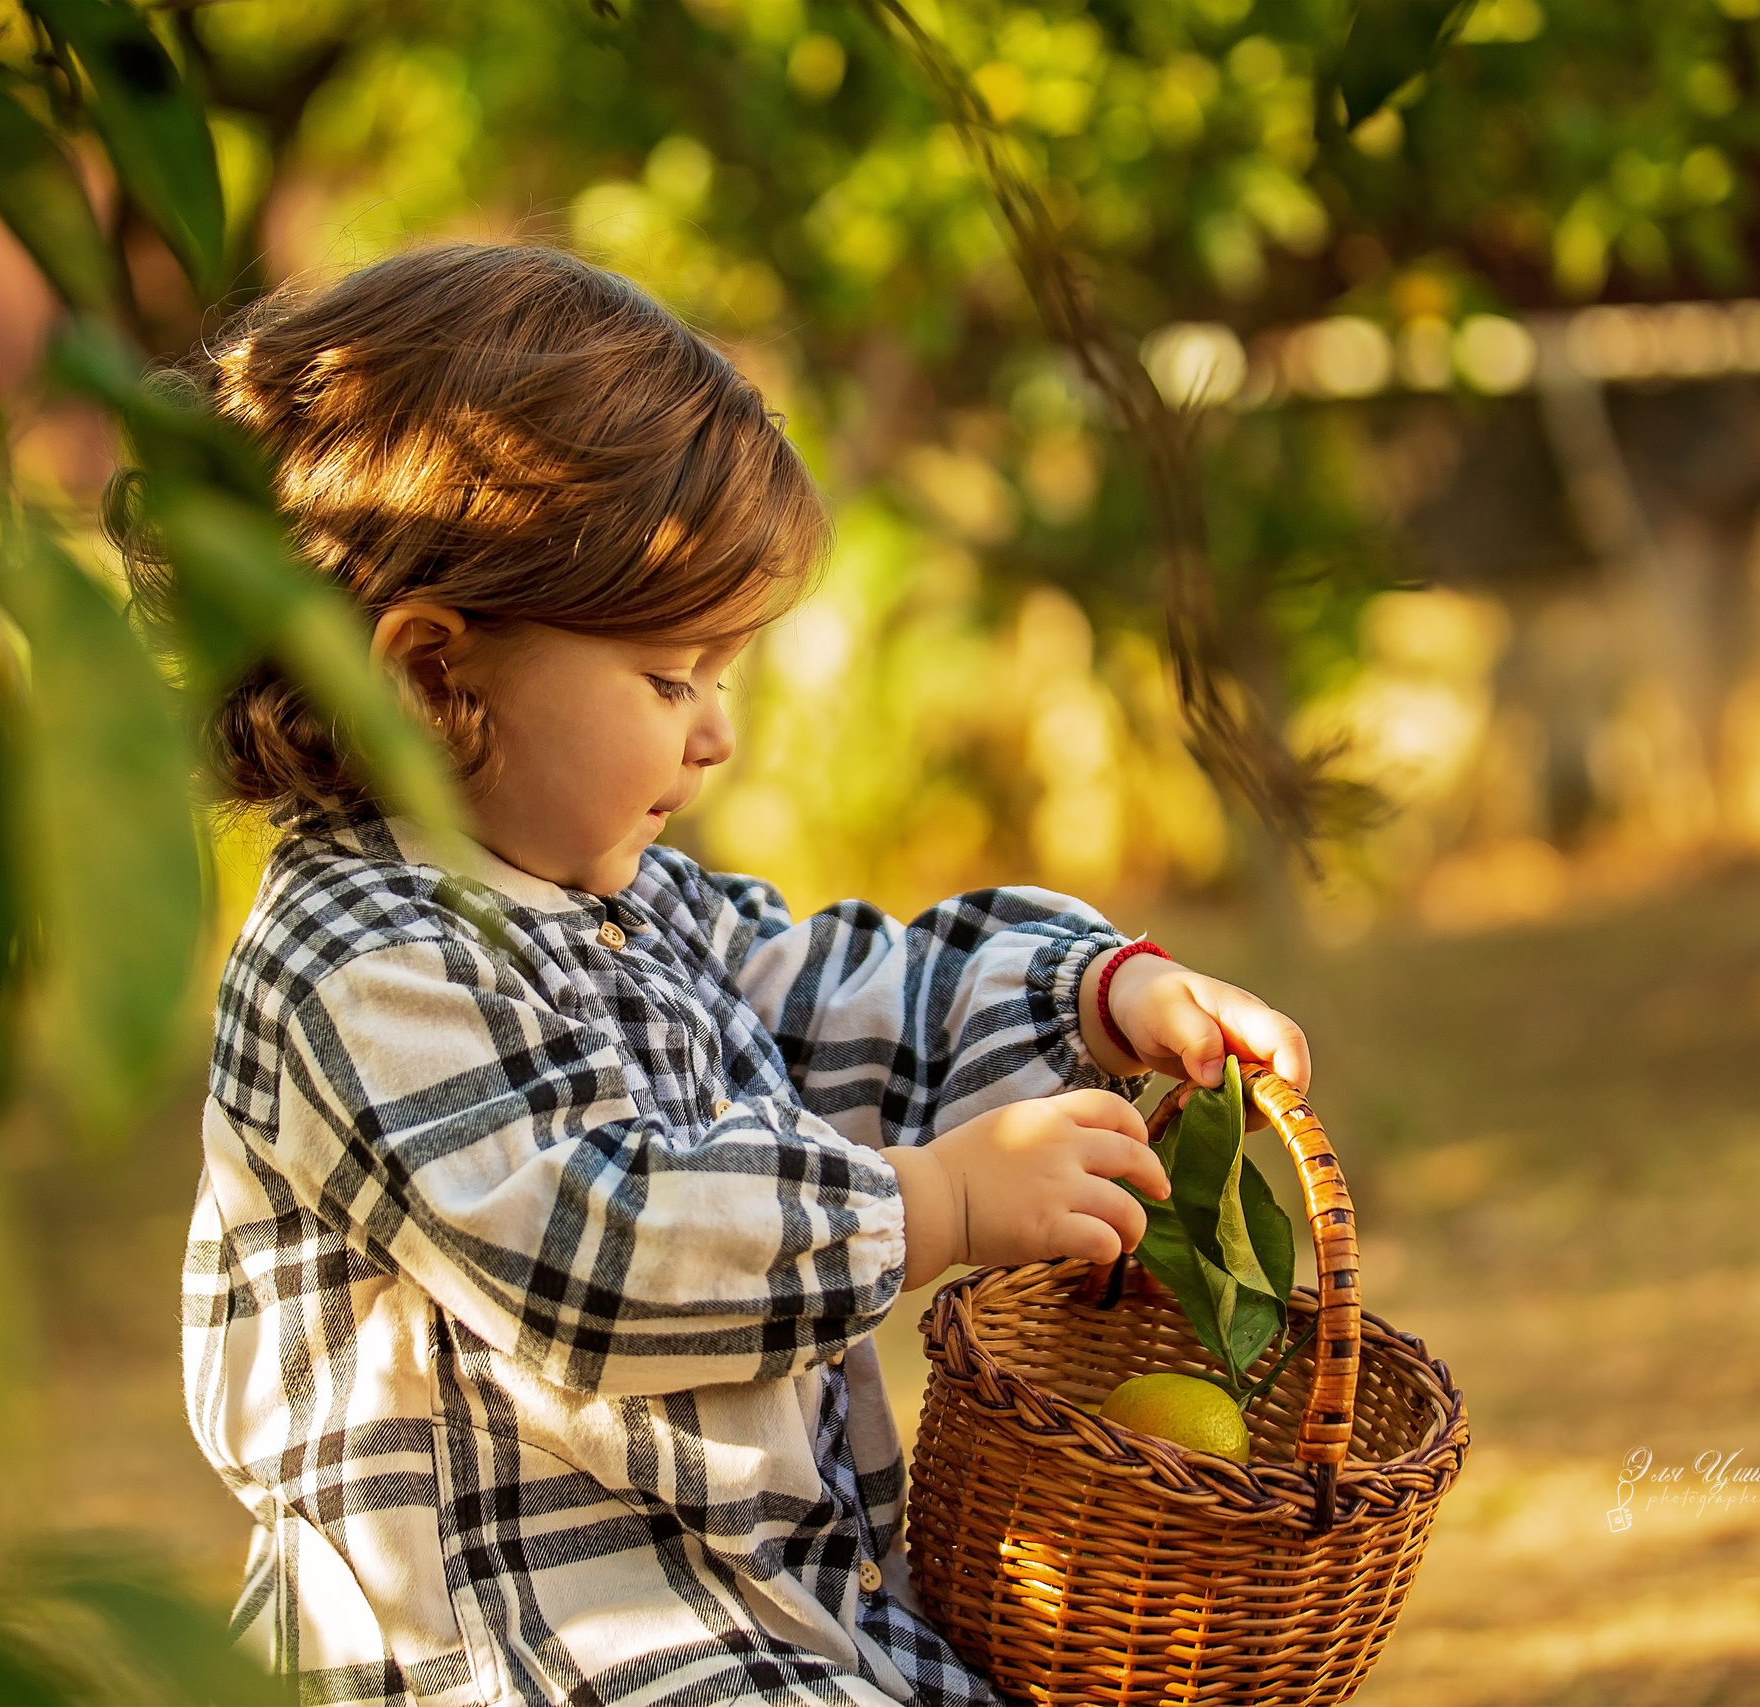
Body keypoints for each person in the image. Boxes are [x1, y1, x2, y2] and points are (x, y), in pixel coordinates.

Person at [160, 243, 1312, 1706]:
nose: (717, 737)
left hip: (742, 1607)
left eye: (725, 676)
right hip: (517, 1648)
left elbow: (838, 987)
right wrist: (931, 1200)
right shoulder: (363, 961)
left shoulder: (618, 903)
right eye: (671, 678)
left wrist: (1088, 993)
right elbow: (596, 1243)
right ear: (435, 677)